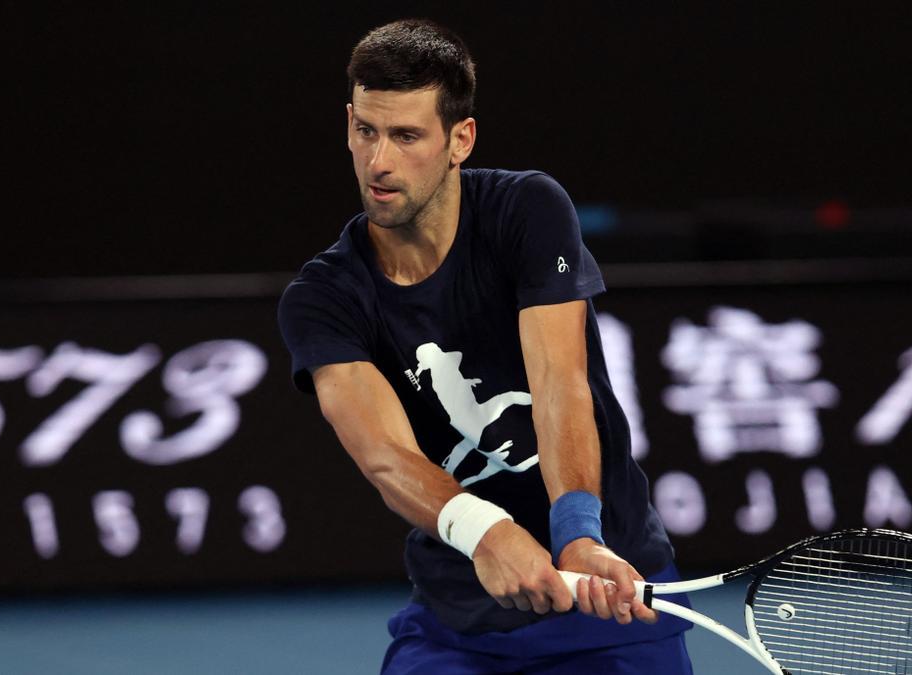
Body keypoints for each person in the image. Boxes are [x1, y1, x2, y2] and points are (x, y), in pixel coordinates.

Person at [278, 19, 693, 674]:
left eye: (407, 135)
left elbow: (560, 384)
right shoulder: (323, 297)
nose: (379, 161)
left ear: (458, 140)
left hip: (608, 598)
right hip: (456, 623)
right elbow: (384, 455)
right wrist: (485, 531)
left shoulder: (526, 210)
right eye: (366, 130)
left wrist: (578, 534)